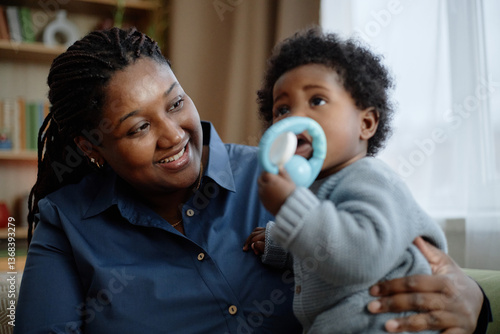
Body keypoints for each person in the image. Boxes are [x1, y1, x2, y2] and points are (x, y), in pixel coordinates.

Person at [14, 27, 489, 333]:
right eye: (138, 128)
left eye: (176, 103)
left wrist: (475, 302)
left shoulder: (291, 175)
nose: (173, 135)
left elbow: (395, 249)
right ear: (90, 147)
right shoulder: (67, 221)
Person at [243, 27, 492, 333]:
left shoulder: (371, 179)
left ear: (366, 123)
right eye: (283, 108)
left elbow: (361, 256)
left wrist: (291, 207)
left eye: (317, 101)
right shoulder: (317, 188)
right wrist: (282, 245)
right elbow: (326, 249)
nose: (297, 116)